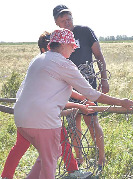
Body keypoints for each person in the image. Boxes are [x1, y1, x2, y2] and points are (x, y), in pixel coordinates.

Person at [13, 28, 133, 179]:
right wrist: (121, 102)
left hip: (21, 119)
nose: (73, 50)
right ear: (63, 45)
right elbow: (93, 94)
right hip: (43, 121)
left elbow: (53, 90)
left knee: (51, 153)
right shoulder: (64, 64)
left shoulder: (39, 59)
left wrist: (83, 99)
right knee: (49, 164)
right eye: (72, 46)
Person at [1, 31, 95, 179]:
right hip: (40, 115)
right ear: (46, 49)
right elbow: (56, 92)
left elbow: (61, 88)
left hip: (27, 114)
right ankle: (72, 170)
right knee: (53, 147)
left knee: (50, 147)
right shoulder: (49, 62)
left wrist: (80, 99)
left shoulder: (41, 62)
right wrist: (81, 101)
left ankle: (7, 176)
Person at [53, 4, 109, 167]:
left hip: (87, 84)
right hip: (66, 87)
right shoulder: (56, 39)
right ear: (57, 23)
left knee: (92, 122)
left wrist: (104, 79)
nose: (66, 22)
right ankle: (79, 159)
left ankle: (101, 158)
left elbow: (99, 56)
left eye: (68, 18)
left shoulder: (85, 32)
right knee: (72, 124)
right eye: (62, 20)